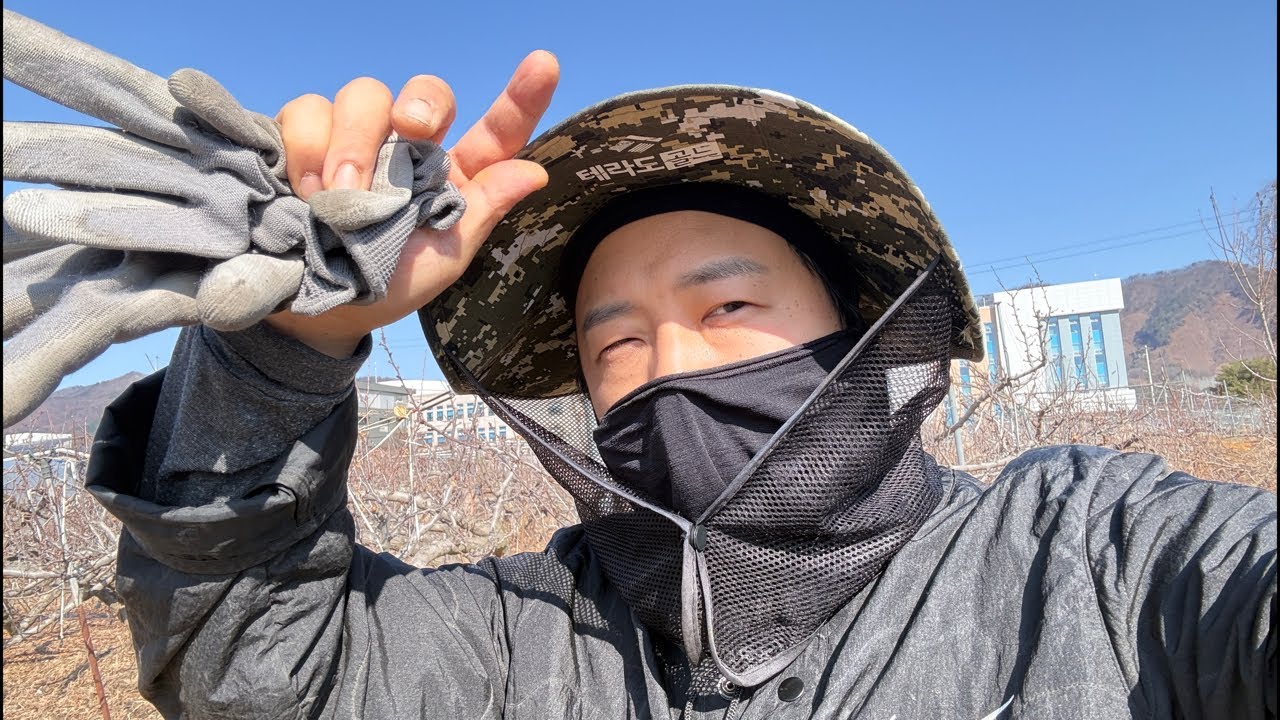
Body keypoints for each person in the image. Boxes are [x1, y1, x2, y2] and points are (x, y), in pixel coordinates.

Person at [77, 54, 1275, 720]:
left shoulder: (1090, 560)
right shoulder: (516, 634)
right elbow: (255, 671)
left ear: (859, 334)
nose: (671, 367)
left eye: (729, 307)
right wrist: (279, 355)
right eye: (614, 348)